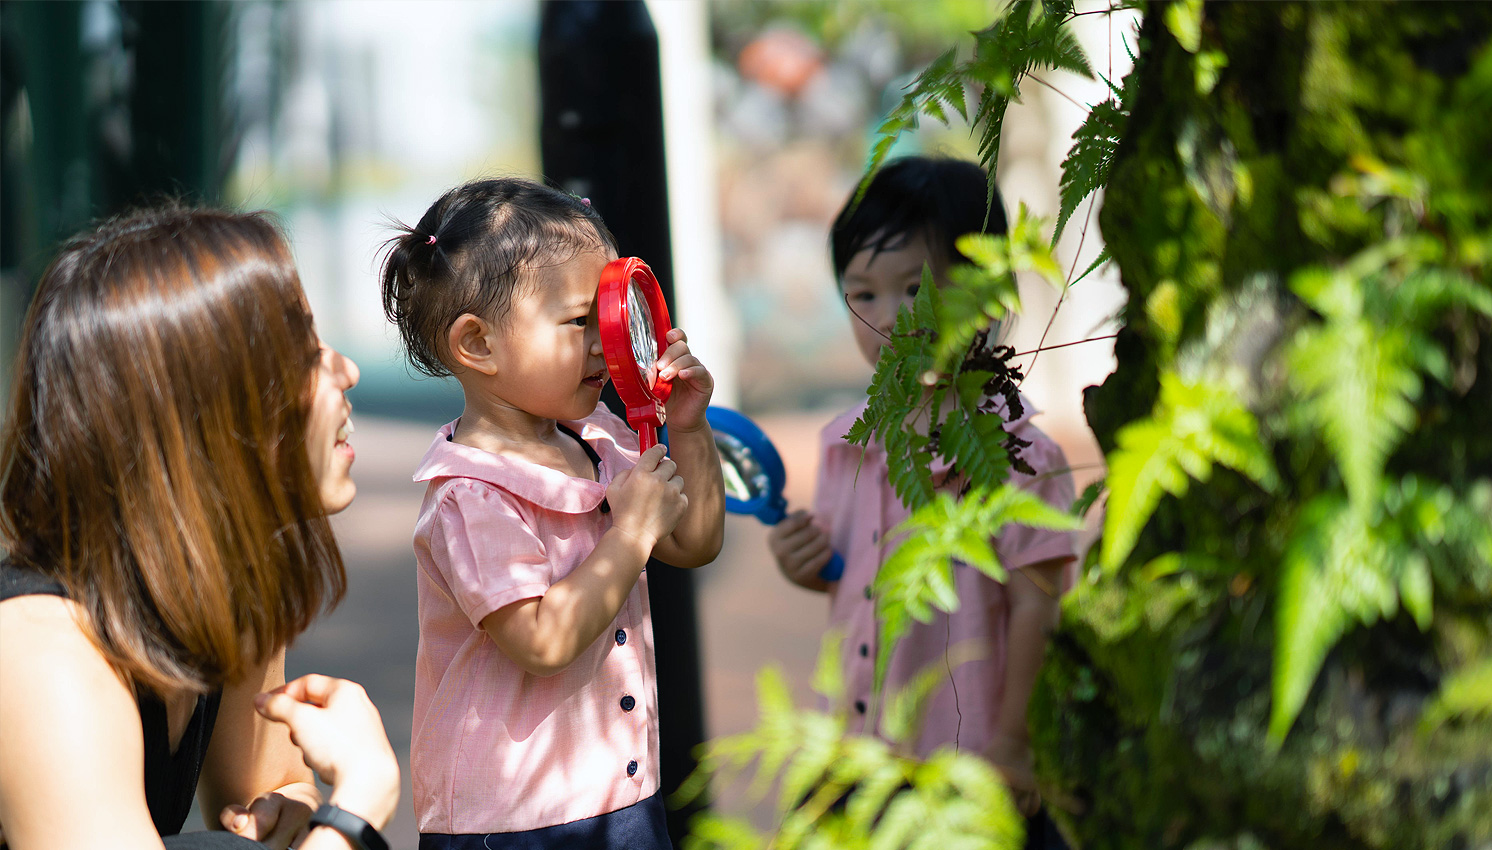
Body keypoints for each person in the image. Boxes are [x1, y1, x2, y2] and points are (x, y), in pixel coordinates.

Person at [0, 207, 401, 850]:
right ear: (208, 406)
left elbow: (269, 784)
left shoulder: (219, 578)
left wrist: (292, 810)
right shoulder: (41, 651)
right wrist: (357, 806)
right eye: (303, 354)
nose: (345, 371)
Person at [379, 177, 723, 849]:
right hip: (512, 823)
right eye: (579, 322)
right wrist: (630, 534)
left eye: (614, 316)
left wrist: (687, 426)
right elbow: (542, 640)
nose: (607, 343)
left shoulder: (597, 438)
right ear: (477, 344)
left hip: (622, 792)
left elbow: (694, 542)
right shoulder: (470, 495)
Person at [768, 157, 1077, 846]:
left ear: (985, 293)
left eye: (915, 288)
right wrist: (805, 563)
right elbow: (857, 580)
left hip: (970, 768)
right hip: (859, 757)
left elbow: (1041, 607)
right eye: (863, 294)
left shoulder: (1019, 454)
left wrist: (1014, 743)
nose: (888, 318)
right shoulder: (843, 445)